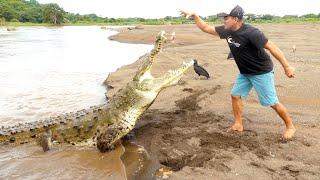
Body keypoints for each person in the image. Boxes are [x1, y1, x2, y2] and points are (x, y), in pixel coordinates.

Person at [180, 5, 296, 139]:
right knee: (235, 95)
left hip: (261, 72)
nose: (224, 21)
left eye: (226, 18)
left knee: (272, 102)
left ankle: (290, 126)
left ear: (235, 19)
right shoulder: (227, 31)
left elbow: (272, 47)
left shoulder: (252, 33)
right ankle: (238, 124)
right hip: (245, 72)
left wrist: (287, 67)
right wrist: (195, 16)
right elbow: (206, 28)